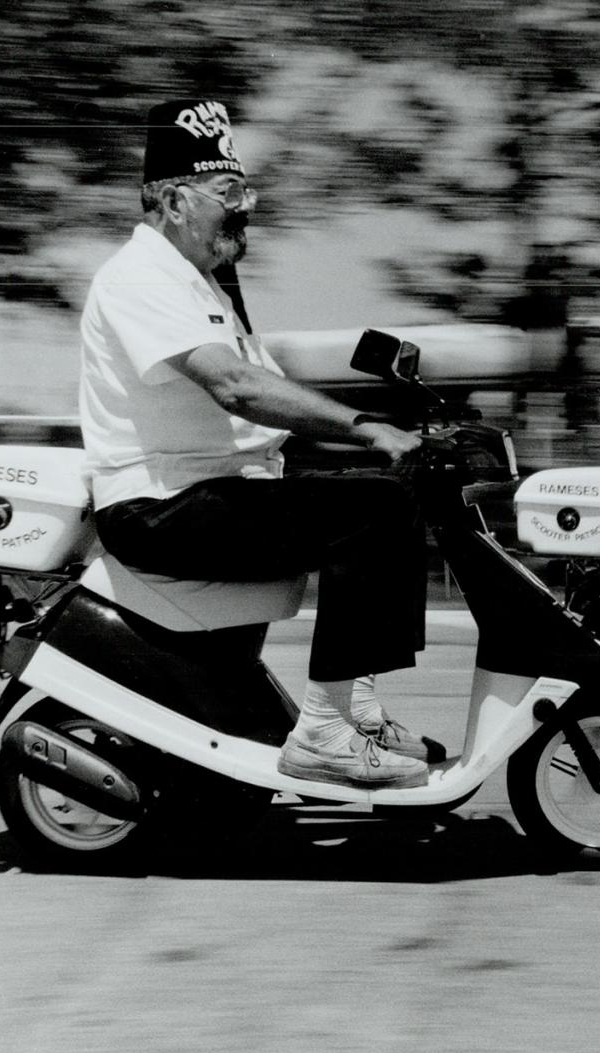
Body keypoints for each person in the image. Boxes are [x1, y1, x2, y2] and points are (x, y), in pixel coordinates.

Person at [78, 98, 436, 788]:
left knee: (387, 499)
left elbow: (269, 413)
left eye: (247, 193)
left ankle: (353, 712)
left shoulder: (200, 284)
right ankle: (327, 733)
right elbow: (236, 387)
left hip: (209, 492)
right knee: (374, 514)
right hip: (158, 508)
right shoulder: (139, 277)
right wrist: (368, 429)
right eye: (229, 193)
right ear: (176, 200)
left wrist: (383, 445)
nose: (244, 211)